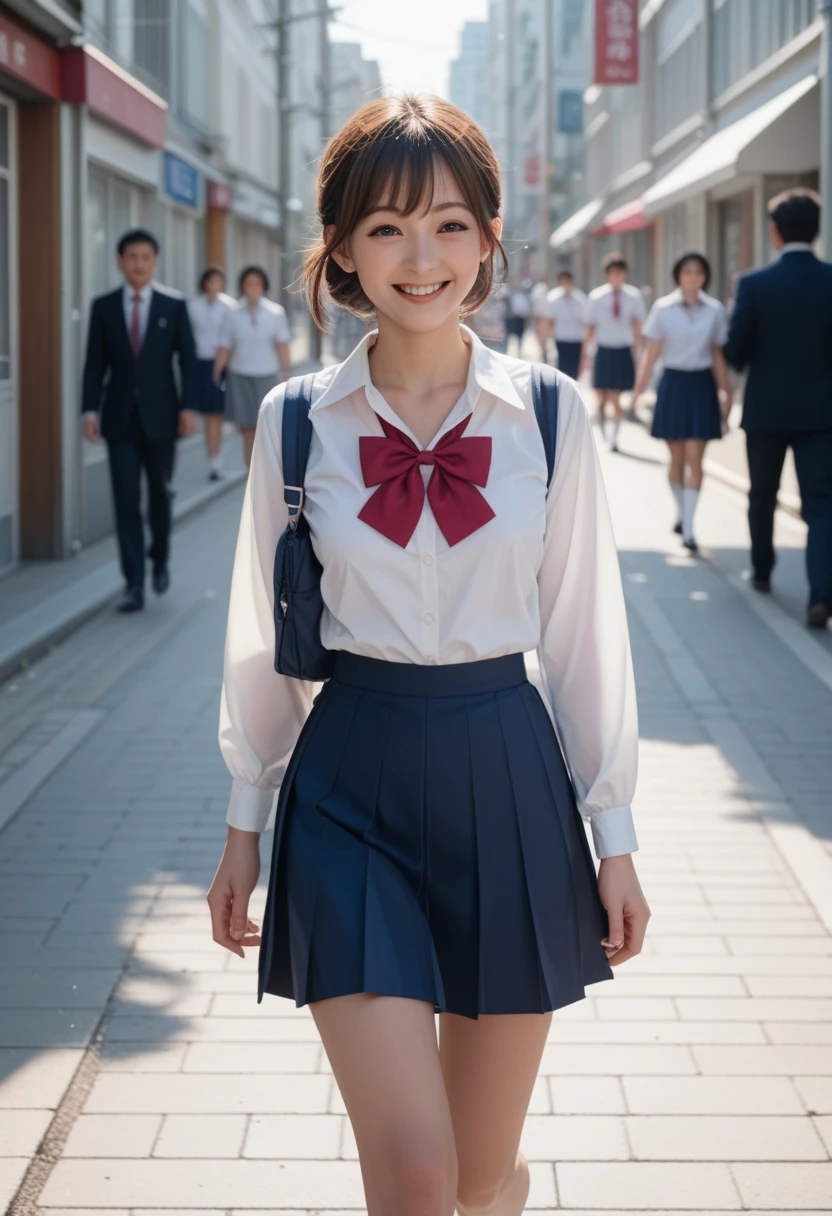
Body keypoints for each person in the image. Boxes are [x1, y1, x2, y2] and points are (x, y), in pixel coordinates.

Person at [207, 94, 650, 1216]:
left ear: (490, 238)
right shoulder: (295, 420)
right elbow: (261, 643)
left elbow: (585, 631)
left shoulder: (548, 415)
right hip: (349, 782)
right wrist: (241, 829)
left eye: (451, 224)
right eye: (389, 226)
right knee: (414, 1175)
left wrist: (617, 836)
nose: (422, 256)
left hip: (507, 775)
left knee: (479, 1168)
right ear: (344, 247)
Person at [724, 188, 832, 629]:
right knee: (823, 505)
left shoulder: (754, 284)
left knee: (762, 494)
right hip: (823, 413)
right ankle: (821, 597)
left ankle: (763, 572)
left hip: (766, 409)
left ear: (774, 232)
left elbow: (735, 351)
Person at [81, 228, 197, 614]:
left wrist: (188, 408)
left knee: (160, 496)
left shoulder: (173, 305)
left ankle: (159, 557)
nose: (139, 264)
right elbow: (94, 365)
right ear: (120, 261)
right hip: (118, 420)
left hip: (163, 417)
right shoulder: (104, 307)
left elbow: (189, 360)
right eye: (132, 257)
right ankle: (133, 582)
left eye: (146, 257)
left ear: (155, 261)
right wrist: (89, 410)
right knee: (126, 499)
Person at [633, 252, 730, 553]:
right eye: (687, 272)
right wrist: (638, 390)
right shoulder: (663, 308)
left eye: (698, 272)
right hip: (673, 385)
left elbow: (717, 354)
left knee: (696, 458)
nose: (693, 277)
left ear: (705, 277)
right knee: (675, 459)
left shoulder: (714, 310)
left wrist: (726, 391)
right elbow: (652, 353)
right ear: (678, 276)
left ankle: (689, 528)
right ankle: (681, 511)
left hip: (701, 385)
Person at [214, 265, 292, 467]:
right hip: (240, 375)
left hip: (266, 375)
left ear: (264, 286)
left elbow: (282, 344)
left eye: (257, 283)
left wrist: (286, 372)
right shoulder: (232, 313)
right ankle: (251, 475)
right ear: (242, 287)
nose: (253, 288)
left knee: (266, 427)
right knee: (247, 428)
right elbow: (224, 344)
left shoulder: (275, 312)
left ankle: (268, 472)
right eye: (249, 284)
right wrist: (216, 372)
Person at [583, 252, 645, 452]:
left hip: (622, 351)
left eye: (620, 273)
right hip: (603, 350)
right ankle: (602, 430)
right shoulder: (597, 297)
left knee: (616, 396)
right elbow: (590, 329)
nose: (616, 277)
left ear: (625, 274)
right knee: (601, 397)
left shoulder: (634, 296)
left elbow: (638, 328)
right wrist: (586, 356)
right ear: (607, 274)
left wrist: (639, 355)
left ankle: (615, 437)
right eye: (613, 273)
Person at [188, 267, 236, 481]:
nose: (214, 284)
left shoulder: (230, 307)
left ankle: (217, 460)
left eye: (218, 280)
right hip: (200, 362)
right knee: (208, 415)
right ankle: (212, 460)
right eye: (210, 280)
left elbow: (233, 338)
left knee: (218, 414)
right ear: (204, 283)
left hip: (223, 363)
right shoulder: (194, 306)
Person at [546, 269, 587, 381]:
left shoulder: (580, 298)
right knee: (562, 370)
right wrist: (548, 339)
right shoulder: (553, 298)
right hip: (561, 337)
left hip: (576, 338)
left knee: (574, 370)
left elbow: (585, 321)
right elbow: (550, 321)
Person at [504, 280, 530, 356]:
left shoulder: (522, 297)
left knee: (520, 337)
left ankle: (519, 351)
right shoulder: (510, 296)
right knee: (508, 336)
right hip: (511, 319)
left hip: (520, 319)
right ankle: (506, 351)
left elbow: (526, 309)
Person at [529, 274, 550, 362]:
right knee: (541, 337)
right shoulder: (541, 288)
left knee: (542, 336)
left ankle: (544, 353)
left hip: (542, 316)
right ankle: (543, 352)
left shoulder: (542, 288)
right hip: (541, 316)